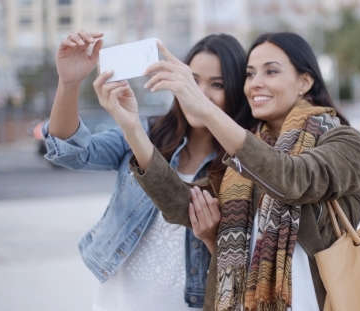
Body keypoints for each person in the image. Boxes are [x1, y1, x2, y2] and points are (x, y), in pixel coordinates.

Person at [117, 32, 360, 311]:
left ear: (305, 81)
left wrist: (203, 107)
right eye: (250, 74)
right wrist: (133, 129)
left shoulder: (346, 142)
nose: (255, 83)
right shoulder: (243, 157)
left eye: (271, 71)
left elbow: (291, 179)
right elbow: (184, 205)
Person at [42, 29, 256, 311]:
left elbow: (245, 263)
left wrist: (212, 235)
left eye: (217, 84)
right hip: (118, 302)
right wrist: (69, 84)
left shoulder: (245, 161)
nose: (198, 93)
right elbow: (71, 152)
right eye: (191, 80)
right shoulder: (143, 131)